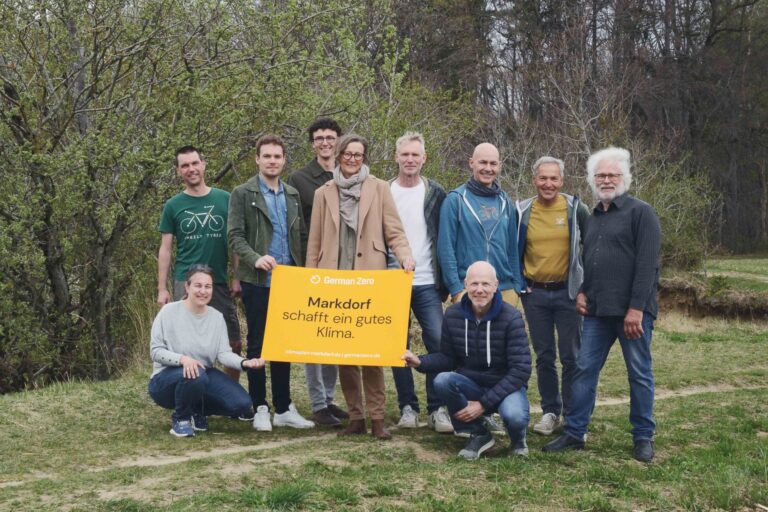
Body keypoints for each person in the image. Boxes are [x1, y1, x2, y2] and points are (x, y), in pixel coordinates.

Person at [543, 147, 661, 462]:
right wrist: (582, 291)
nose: (606, 180)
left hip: (632, 313)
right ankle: (575, 432)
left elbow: (648, 265)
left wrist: (637, 308)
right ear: (593, 180)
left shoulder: (641, 213)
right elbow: (588, 261)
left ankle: (642, 436)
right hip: (597, 311)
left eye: (612, 175)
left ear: (625, 178)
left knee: (638, 372)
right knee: (583, 369)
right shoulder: (593, 216)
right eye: (600, 175)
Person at [306, 133, 414, 439]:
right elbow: (314, 243)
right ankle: (355, 417)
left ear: (364, 157)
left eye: (358, 154)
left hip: (371, 281)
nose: (353, 159)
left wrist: (405, 257)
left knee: (372, 355)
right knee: (345, 356)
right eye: (348, 154)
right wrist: (312, 279)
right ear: (338, 155)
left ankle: (377, 418)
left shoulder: (379, 188)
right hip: (334, 282)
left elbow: (395, 232)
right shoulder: (323, 193)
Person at [228, 135, 314, 431]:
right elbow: (235, 236)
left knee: (284, 345)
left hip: (289, 280)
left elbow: (300, 237)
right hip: (258, 281)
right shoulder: (243, 193)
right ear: (257, 159)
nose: (272, 161)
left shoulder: (291, 194)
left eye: (277, 156)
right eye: (267, 156)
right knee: (258, 343)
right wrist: (254, 259)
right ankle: (259, 405)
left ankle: (283, 406)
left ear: (284, 159)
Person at [402, 261, 531, 460]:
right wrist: (419, 362)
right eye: (474, 284)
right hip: (472, 385)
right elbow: (447, 358)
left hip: (506, 388)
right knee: (443, 380)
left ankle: (518, 439)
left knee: (514, 416)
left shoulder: (512, 318)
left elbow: (520, 371)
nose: (480, 290)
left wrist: (481, 405)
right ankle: (478, 433)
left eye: (485, 284)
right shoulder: (453, 315)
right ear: (466, 284)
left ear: (496, 285)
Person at [516, 156, 589, 435]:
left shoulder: (575, 208)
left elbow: (591, 246)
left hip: (568, 293)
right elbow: (513, 248)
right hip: (535, 295)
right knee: (544, 355)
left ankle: (573, 414)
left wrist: (585, 288)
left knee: (571, 356)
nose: (548, 184)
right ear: (534, 180)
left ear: (562, 180)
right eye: (543, 178)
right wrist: (521, 283)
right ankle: (550, 411)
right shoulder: (522, 210)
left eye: (554, 178)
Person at [157, 146, 243, 381]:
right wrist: (162, 289)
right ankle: (190, 394)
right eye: (185, 165)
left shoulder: (224, 198)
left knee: (232, 341)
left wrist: (237, 276)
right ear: (178, 171)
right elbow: (165, 249)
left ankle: (229, 393)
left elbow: (236, 242)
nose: (191, 169)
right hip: (185, 281)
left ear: (203, 165)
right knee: (184, 344)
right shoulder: (173, 205)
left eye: (195, 163)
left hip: (219, 281)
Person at [149, 265, 264, 437]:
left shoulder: (217, 317)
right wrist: (183, 360)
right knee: (196, 374)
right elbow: (156, 351)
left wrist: (244, 362)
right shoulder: (169, 312)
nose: (203, 291)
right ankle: (181, 419)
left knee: (241, 403)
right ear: (187, 287)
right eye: (198, 285)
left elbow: (223, 354)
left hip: (202, 375)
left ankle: (197, 410)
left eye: (207, 286)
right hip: (166, 380)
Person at [387, 132, 452, 433]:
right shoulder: (384, 191)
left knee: (437, 341)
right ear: (396, 157)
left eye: (416, 155)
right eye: (405, 155)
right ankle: (407, 407)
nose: (410, 160)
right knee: (396, 346)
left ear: (424, 158)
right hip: (392, 280)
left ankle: (437, 408)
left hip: (427, 280)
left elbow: (446, 236)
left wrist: (450, 279)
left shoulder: (436, 192)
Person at [287, 118, 349, 427]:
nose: (325, 142)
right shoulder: (300, 179)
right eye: (319, 138)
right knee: (315, 338)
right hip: (314, 268)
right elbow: (297, 228)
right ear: (312, 144)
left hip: (345, 268)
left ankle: (330, 398)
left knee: (336, 335)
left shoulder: (348, 174)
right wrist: (302, 269)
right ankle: (317, 403)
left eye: (330, 137)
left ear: (339, 141)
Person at [438, 143, 523, 308]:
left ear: (499, 166)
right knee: (470, 335)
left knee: (501, 335)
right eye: (483, 162)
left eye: (493, 163)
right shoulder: (455, 201)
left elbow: (513, 248)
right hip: (469, 289)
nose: (488, 168)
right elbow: (446, 249)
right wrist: (455, 288)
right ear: (471, 163)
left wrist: (516, 285)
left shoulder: (506, 202)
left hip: (505, 290)